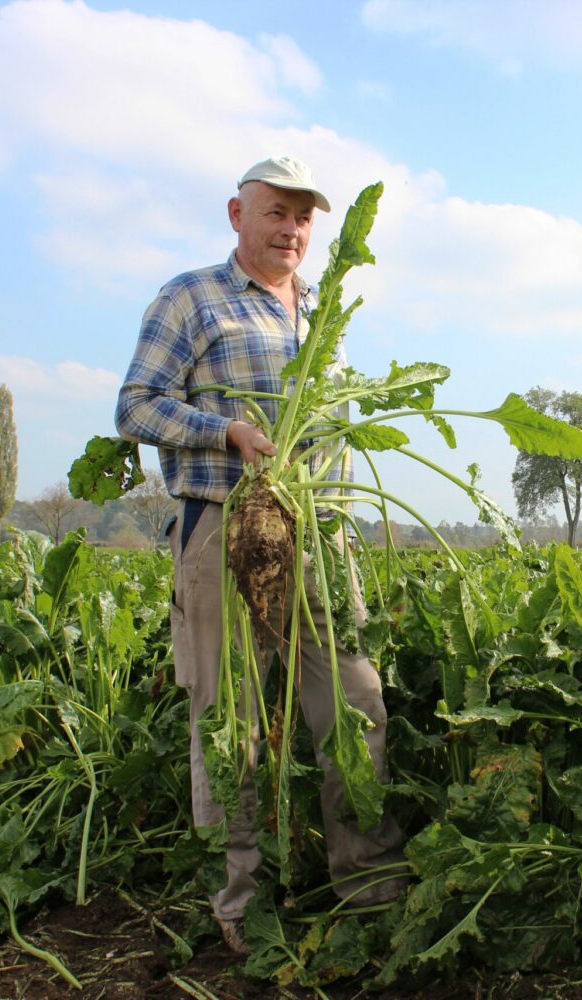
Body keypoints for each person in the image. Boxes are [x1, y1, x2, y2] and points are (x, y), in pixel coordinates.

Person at [114, 156, 404, 956]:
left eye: (304, 219)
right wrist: (227, 432)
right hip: (226, 526)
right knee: (230, 717)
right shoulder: (192, 296)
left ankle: (369, 883)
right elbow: (135, 405)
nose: (292, 231)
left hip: (316, 536)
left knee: (354, 704)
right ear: (237, 213)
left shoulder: (320, 312)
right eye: (276, 213)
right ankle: (240, 903)